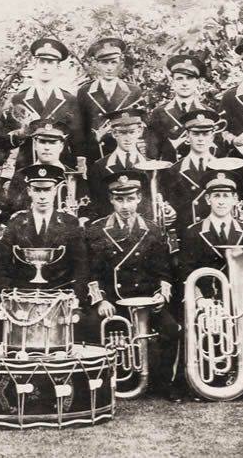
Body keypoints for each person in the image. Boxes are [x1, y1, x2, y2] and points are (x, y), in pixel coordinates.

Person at [178, 169, 243, 403]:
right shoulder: (193, 232)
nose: (221, 201)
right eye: (216, 196)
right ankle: (196, 381)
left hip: (240, 300)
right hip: (207, 299)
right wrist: (200, 298)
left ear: (235, 200)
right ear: (208, 200)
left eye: (226, 196)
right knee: (189, 322)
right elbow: (184, 269)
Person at [85, 171, 182, 401]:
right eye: (119, 199)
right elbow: (91, 272)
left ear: (139, 198)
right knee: (89, 324)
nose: (125, 206)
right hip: (114, 300)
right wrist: (101, 300)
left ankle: (165, 382)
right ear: (111, 200)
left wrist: (161, 295)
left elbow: (163, 272)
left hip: (146, 301)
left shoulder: (153, 229)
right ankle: (100, 383)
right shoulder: (96, 231)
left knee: (170, 328)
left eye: (130, 199)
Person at [0, 164, 89, 302]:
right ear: (29, 191)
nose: (42, 196)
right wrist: (5, 298)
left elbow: (81, 265)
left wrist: (77, 298)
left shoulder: (69, 222)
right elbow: (1, 264)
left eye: (47, 190)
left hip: (59, 295)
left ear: (55, 191)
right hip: (23, 295)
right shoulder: (16, 221)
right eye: (37, 190)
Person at [5, 38, 84, 171]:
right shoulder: (19, 99)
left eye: (51, 62)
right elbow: (6, 140)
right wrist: (21, 134)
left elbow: (77, 140)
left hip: (61, 167)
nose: (45, 66)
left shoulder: (70, 100)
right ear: (34, 63)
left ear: (58, 66)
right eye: (42, 61)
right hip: (26, 166)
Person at [1, 120, 90, 223]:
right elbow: (10, 213)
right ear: (35, 145)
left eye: (52, 143)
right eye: (42, 142)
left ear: (61, 146)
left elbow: (86, 212)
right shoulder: (21, 176)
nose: (47, 148)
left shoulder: (75, 177)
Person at [77, 38, 144, 163]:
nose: (109, 68)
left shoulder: (133, 91)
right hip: (96, 155)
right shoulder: (85, 91)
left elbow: (141, 128)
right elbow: (81, 130)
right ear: (96, 64)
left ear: (121, 63)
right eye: (104, 63)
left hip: (125, 155)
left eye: (114, 62)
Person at [146, 54, 213, 162]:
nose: (185, 83)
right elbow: (152, 154)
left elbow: (216, 151)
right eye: (179, 78)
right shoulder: (159, 112)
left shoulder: (208, 113)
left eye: (189, 78)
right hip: (169, 174)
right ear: (172, 81)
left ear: (198, 82)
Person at [87, 108, 150, 219]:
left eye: (132, 132)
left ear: (140, 131)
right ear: (114, 133)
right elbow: (98, 205)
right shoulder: (99, 167)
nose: (127, 138)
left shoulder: (151, 165)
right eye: (122, 133)